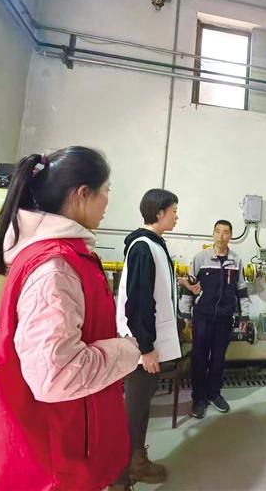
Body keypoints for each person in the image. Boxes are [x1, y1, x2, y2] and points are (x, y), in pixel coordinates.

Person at [0, 147, 141, 491]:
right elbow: (56, 375)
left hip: (63, 445)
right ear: (81, 194)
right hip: (52, 463)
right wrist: (128, 350)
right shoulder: (55, 267)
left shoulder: (65, 257)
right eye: (106, 191)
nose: (107, 202)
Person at [112, 188, 182, 489]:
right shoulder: (143, 247)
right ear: (159, 212)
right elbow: (138, 303)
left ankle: (137, 462)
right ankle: (120, 478)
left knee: (140, 408)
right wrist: (146, 348)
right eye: (174, 211)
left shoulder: (154, 245)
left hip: (149, 346)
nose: (177, 216)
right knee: (134, 410)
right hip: (143, 348)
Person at [180, 219, 250, 419]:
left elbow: (241, 289)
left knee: (219, 359)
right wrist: (185, 314)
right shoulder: (201, 258)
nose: (221, 236)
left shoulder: (236, 261)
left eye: (225, 232)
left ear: (230, 236)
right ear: (213, 234)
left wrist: (244, 314)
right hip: (202, 316)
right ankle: (199, 399)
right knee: (199, 358)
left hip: (225, 318)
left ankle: (214, 394)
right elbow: (189, 287)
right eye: (217, 231)